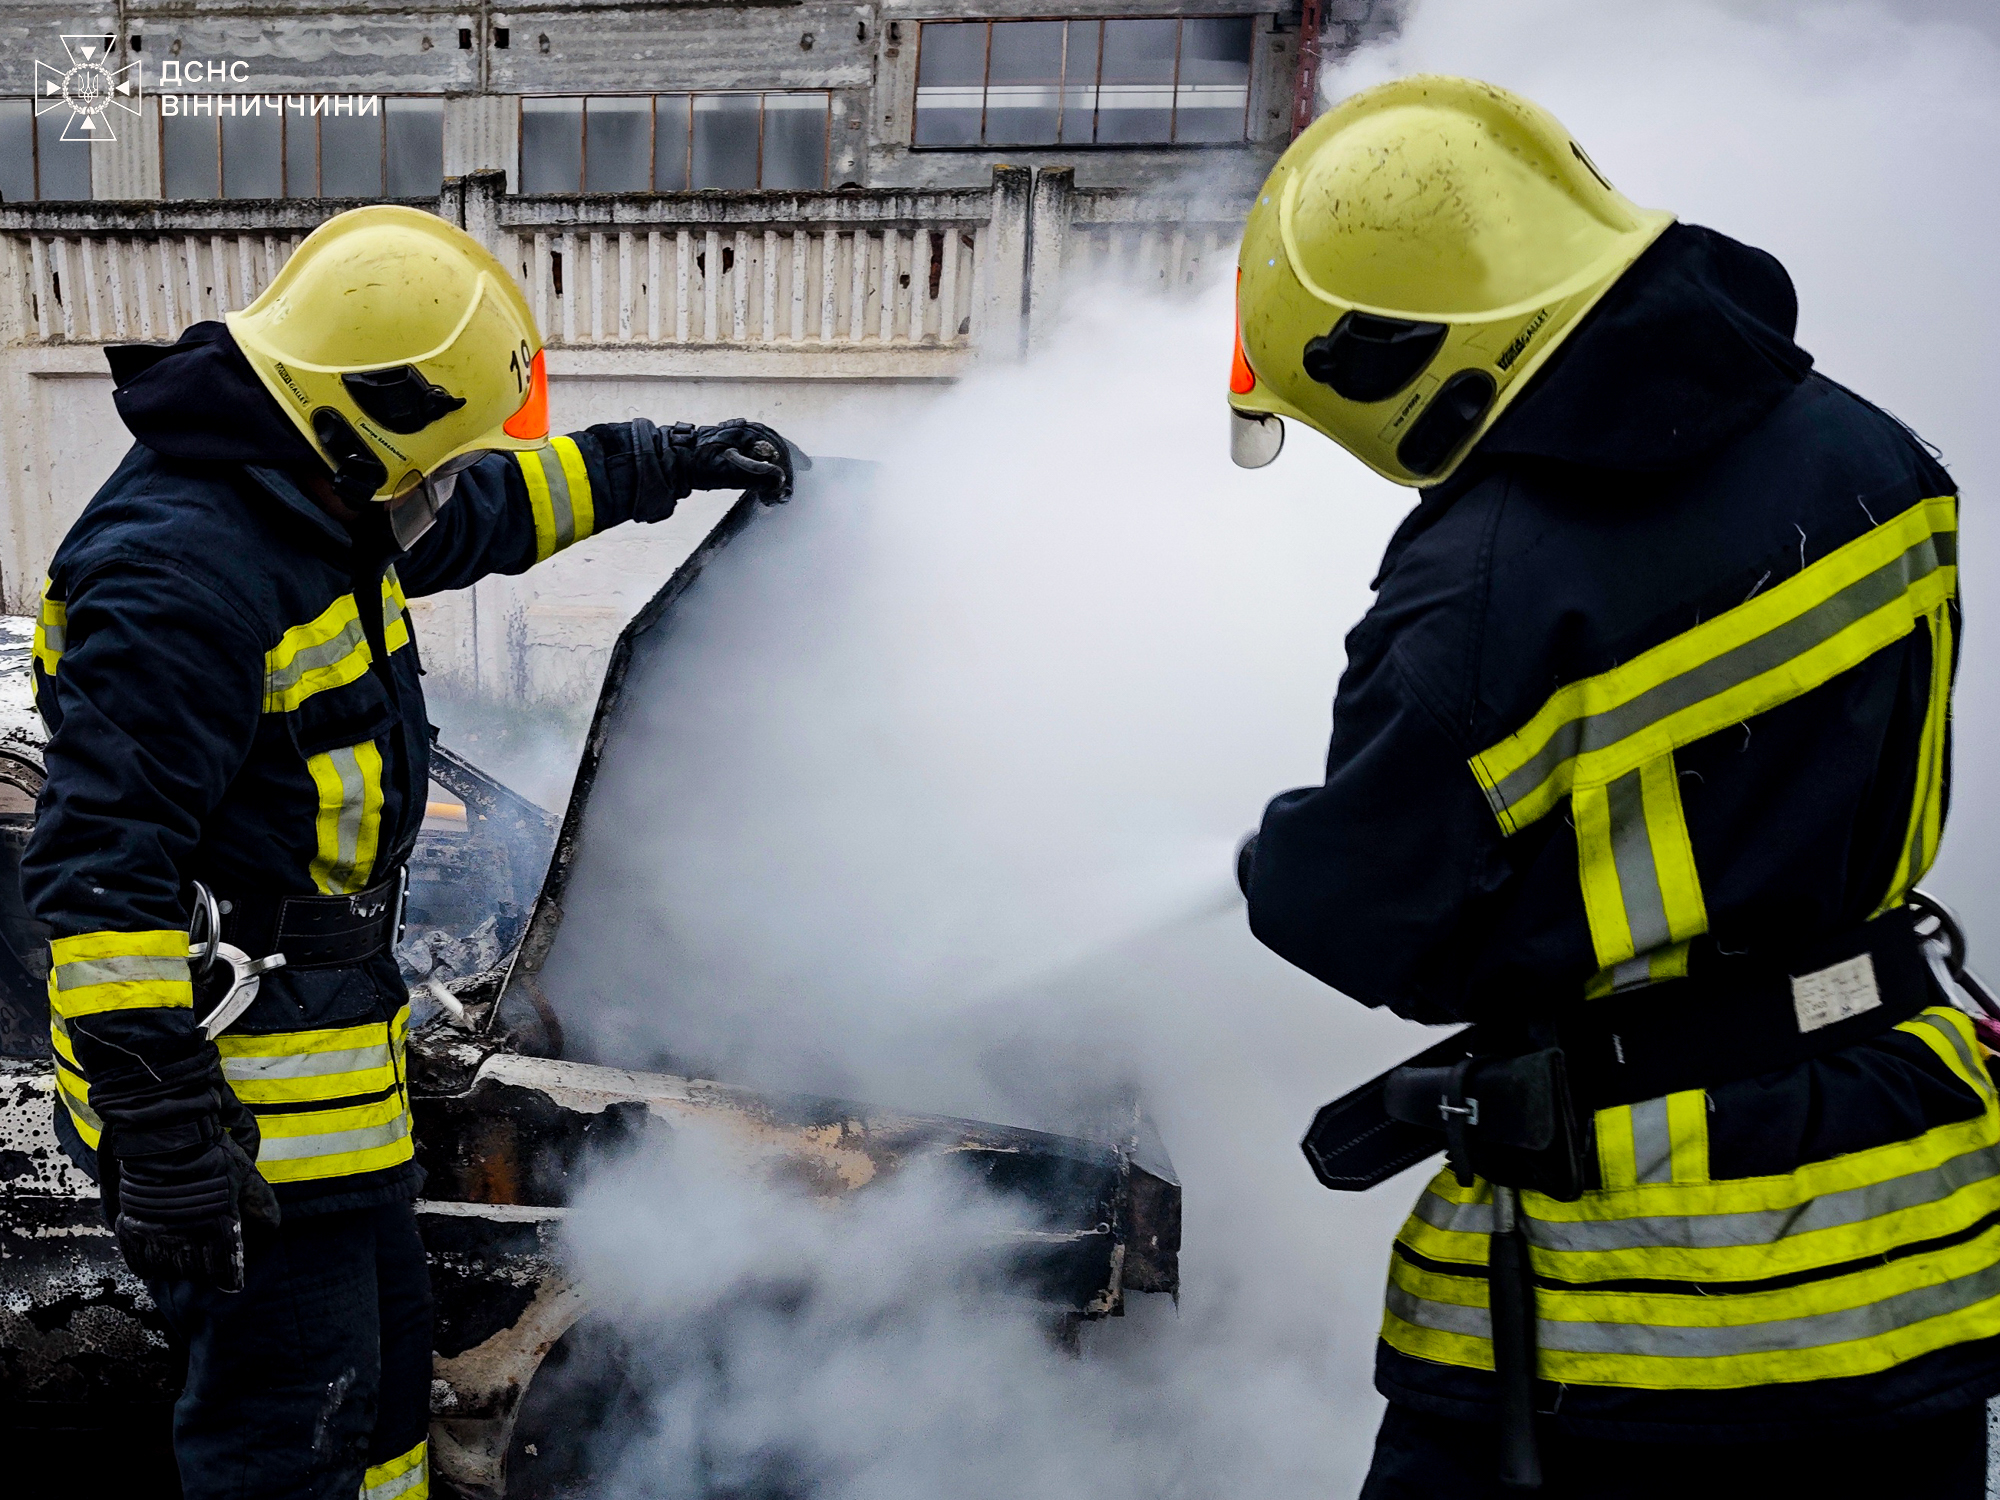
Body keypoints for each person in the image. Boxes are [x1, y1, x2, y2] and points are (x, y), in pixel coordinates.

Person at [1229, 76, 1998, 1496]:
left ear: (1406, 354)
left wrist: (1278, 857)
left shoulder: (1483, 585)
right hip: (1912, 1239)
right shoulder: (1878, 451)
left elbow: (1364, 919)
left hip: (1636, 1322)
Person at [23, 204, 797, 1499]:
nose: (435, 491)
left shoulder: (312, 491)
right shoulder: (176, 578)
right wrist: (165, 1135)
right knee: (285, 1446)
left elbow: (481, 508)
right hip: (245, 1137)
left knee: (381, 1420)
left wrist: (658, 461)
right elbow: (100, 875)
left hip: (340, 1108)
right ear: (352, 428)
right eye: (422, 462)